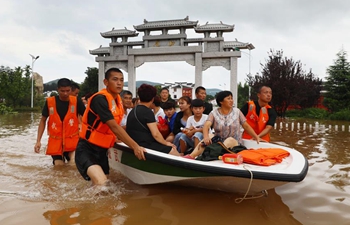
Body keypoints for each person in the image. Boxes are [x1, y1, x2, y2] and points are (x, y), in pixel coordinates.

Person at [75, 68, 146, 186]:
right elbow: (113, 126)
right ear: (106, 82)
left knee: (103, 185)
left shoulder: (118, 100)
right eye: (115, 79)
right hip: (87, 149)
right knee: (101, 183)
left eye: (122, 80)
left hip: (102, 151)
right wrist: (135, 147)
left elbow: (113, 129)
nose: (119, 83)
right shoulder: (100, 99)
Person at [183, 91, 260, 159]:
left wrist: (256, 137)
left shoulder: (237, 111)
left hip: (234, 143)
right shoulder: (214, 113)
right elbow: (206, 126)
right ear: (221, 101)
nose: (231, 101)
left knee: (229, 140)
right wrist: (206, 137)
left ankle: (208, 155)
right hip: (218, 141)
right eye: (228, 98)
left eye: (231, 98)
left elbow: (246, 126)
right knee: (210, 135)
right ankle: (191, 156)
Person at [34, 78, 86, 165]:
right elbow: (42, 121)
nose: (65, 93)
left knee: (73, 163)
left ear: (70, 89)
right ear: (57, 89)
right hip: (56, 142)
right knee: (59, 166)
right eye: (62, 91)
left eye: (67, 90)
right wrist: (38, 141)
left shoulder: (76, 101)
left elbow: (87, 119)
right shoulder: (49, 102)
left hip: (72, 141)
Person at [126, 84, 181, 156]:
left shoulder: (133, 110)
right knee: (172, 150)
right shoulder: (148, 112)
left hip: (134, 142)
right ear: (152, 99)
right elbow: (156, 134)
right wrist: (166, 143)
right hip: (144, 144)